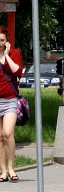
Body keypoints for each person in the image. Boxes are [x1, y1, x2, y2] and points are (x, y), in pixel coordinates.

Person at [0, 26, 23, 183]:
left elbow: (18, 72)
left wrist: (7, 55)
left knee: (8, 133)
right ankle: (2, 171)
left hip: (10, 99)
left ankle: (11, 167)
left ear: (6, 41)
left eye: (2, 40)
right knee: (0, 137)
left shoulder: (14, 53)